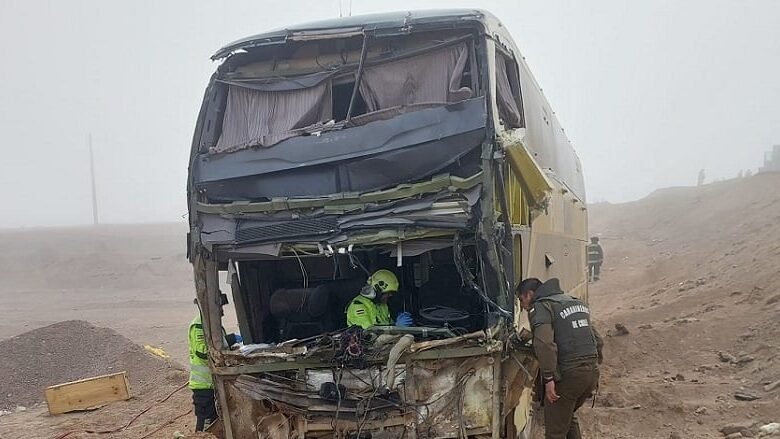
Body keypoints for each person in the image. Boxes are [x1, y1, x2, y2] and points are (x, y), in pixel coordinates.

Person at [517, 277, 603, 439]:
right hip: (591, 373)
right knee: (567, 417)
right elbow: (598, 340)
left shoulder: (540, 307)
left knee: (555, 433)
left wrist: (549, 378)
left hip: (569, 376)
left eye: (521, 299)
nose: (522, 306)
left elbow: (545, 344)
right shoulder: (574, 302)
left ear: (530, 294)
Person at [188, 295, 241, 432]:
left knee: (216, 420)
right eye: (220, 307)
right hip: (204, 386)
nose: (222, 311)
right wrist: (230, 339)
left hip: (213, 383)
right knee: (206, 424)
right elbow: (202, 352)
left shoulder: (213, 326)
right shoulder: (199, 325)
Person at [346, 269, 413, 329]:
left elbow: (387, 325)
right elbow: (368, 334)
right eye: (388, 292)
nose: (390, 295)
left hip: (386, 338)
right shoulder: (358, 306)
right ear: (377, 291)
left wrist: (397, 321)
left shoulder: (382, 305)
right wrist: (397, 327)